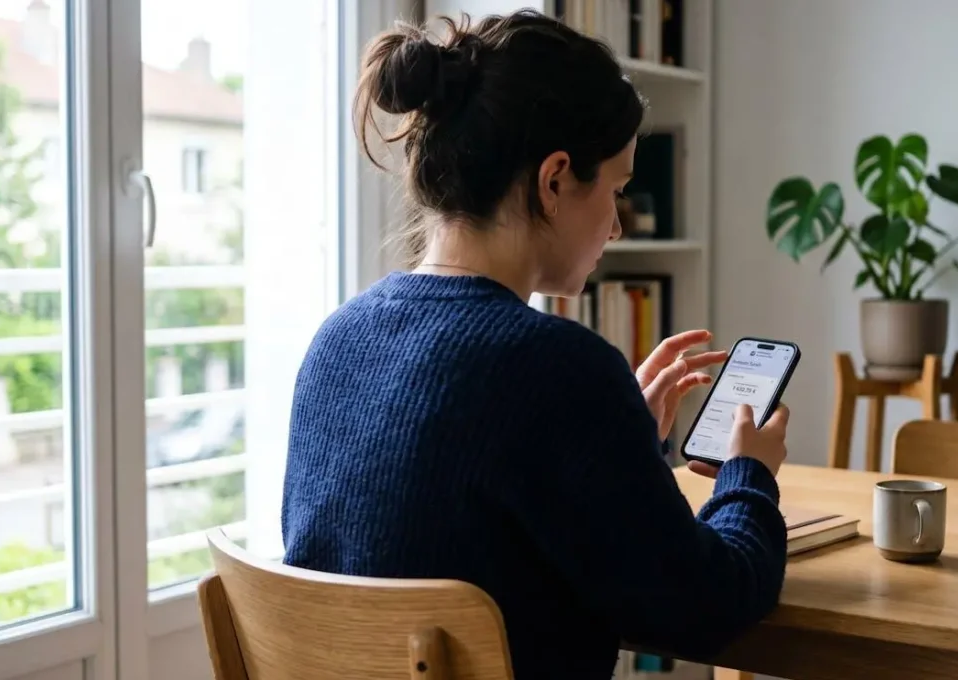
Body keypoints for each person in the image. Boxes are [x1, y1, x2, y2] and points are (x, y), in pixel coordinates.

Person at [281, 9, 790, 679]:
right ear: (554, 181)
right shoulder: (561, 371)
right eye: (616, 189)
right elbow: (708, 606)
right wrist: (748, 476)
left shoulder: (335, 342)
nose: (616, 224)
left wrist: (619, 441)